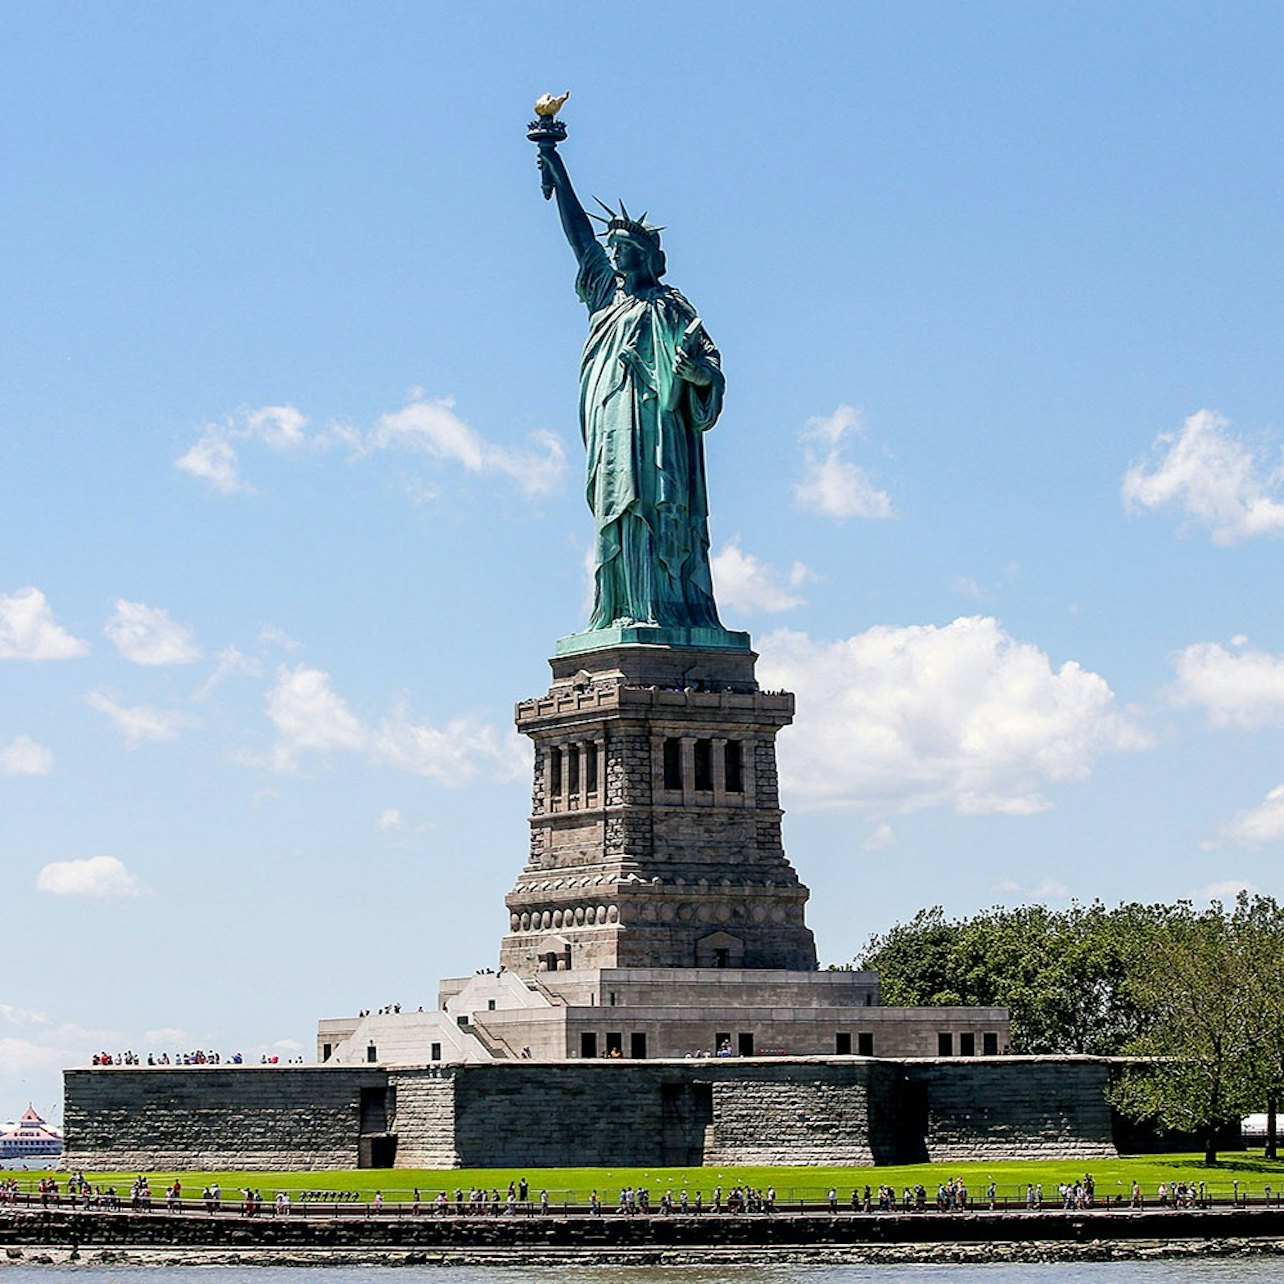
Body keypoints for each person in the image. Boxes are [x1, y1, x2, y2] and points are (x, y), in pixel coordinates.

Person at [537, 144, 727, 635]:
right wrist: (557, 167)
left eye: (623, 250)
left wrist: (697, 374)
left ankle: (668, 610)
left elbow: (708, 365)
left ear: (645, 257)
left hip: (660, 429)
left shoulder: (669, 306)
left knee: (658, 509)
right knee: (617, 507)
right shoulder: (604, 295)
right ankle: (621, 606)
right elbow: (580, 238)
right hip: (613, 423)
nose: (615, 256)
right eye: (614, 251)